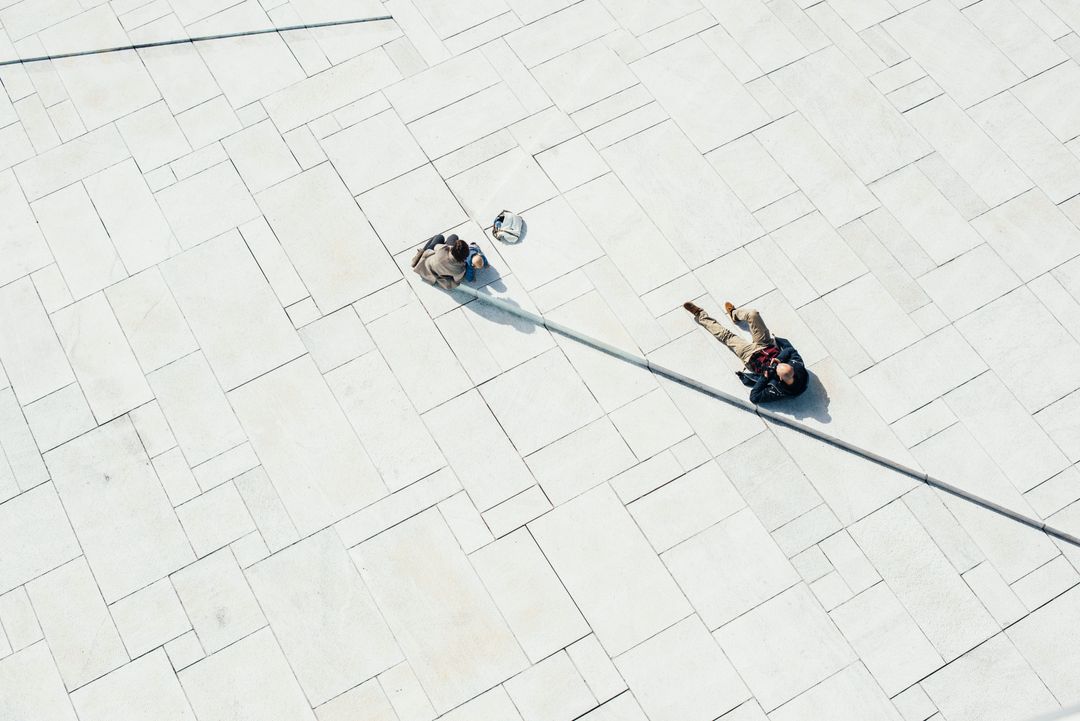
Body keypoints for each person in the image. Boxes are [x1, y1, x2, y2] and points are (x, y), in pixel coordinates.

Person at [684, 301, 808, 403]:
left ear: (780, 377)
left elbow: (754, 397)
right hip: (766, 344)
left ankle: (700, 314)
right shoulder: (798, 369)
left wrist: (765, 376)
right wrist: (779, 359)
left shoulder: (779, 389)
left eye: (777, 367)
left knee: (725, 335)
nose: (776, 364)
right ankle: (734, 314)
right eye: (784, 364)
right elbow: (790, 350)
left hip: (751, 357)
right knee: (753, 314)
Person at [411, 233, 485, 290]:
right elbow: (457, 280)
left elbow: (436, 247)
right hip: (434, 275)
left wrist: (448, 247)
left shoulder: (442, 249)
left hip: (425, 265)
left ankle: (420, 254)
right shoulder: (460, 270)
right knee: (452, 238)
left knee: (441, 237)